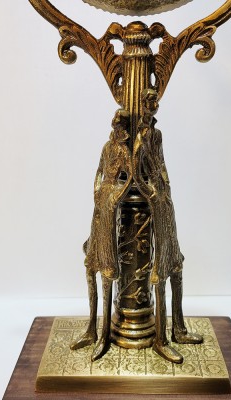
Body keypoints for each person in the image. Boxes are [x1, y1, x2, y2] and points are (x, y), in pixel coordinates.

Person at [133, 89, 203, 364]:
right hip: (155, 199)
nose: (154, 105)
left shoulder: (157, 135)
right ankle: (160, 340)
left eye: (155, 101)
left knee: (176, 264)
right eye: (149, 102)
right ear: (143, 105)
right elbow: (136, 173)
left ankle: (179, 329)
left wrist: (164, 188)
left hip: (165, 200)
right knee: (160, 269)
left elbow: (161, 164)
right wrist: (150, 193)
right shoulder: (140, 138)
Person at [70, 109, 132, 361]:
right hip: (100, 204)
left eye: (120, 124)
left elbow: (131, 177)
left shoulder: (124, 151)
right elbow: (98, 172)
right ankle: (91, 329)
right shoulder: (107, 147)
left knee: (107, 273)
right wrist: (97, 192)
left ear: (124, 128)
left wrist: (116, 196)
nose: (116, 126)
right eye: (115, 122)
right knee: (90, 268)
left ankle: (105, 334)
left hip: (111, 205)